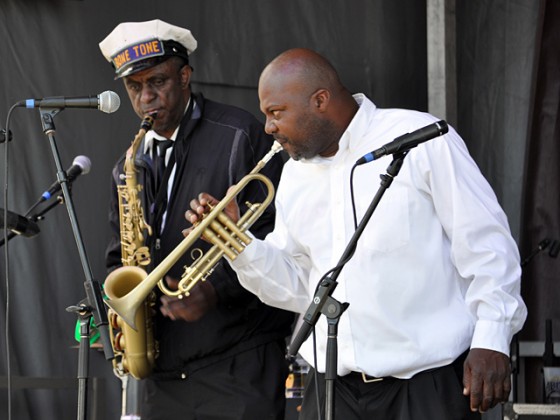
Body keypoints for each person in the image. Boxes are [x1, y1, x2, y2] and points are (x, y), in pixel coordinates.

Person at [186, 48, 528, 419]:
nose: (268, 127)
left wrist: (492, 337)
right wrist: (236, 243)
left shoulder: (419, 137)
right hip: (332, 389)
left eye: (276, 112)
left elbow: (486, 244)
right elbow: (300, 288)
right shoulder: (294, 174)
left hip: (425, 387)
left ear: (320, 101)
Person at [99, 20, 295, 420]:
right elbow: (119, 255)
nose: (146, 98)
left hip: (238, 363)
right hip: (166, 373)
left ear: (185, 76)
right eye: (134, 88)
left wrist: (215, 289)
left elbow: (280, 234)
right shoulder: (128, 165)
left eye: (157, 82)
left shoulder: (238, 134)